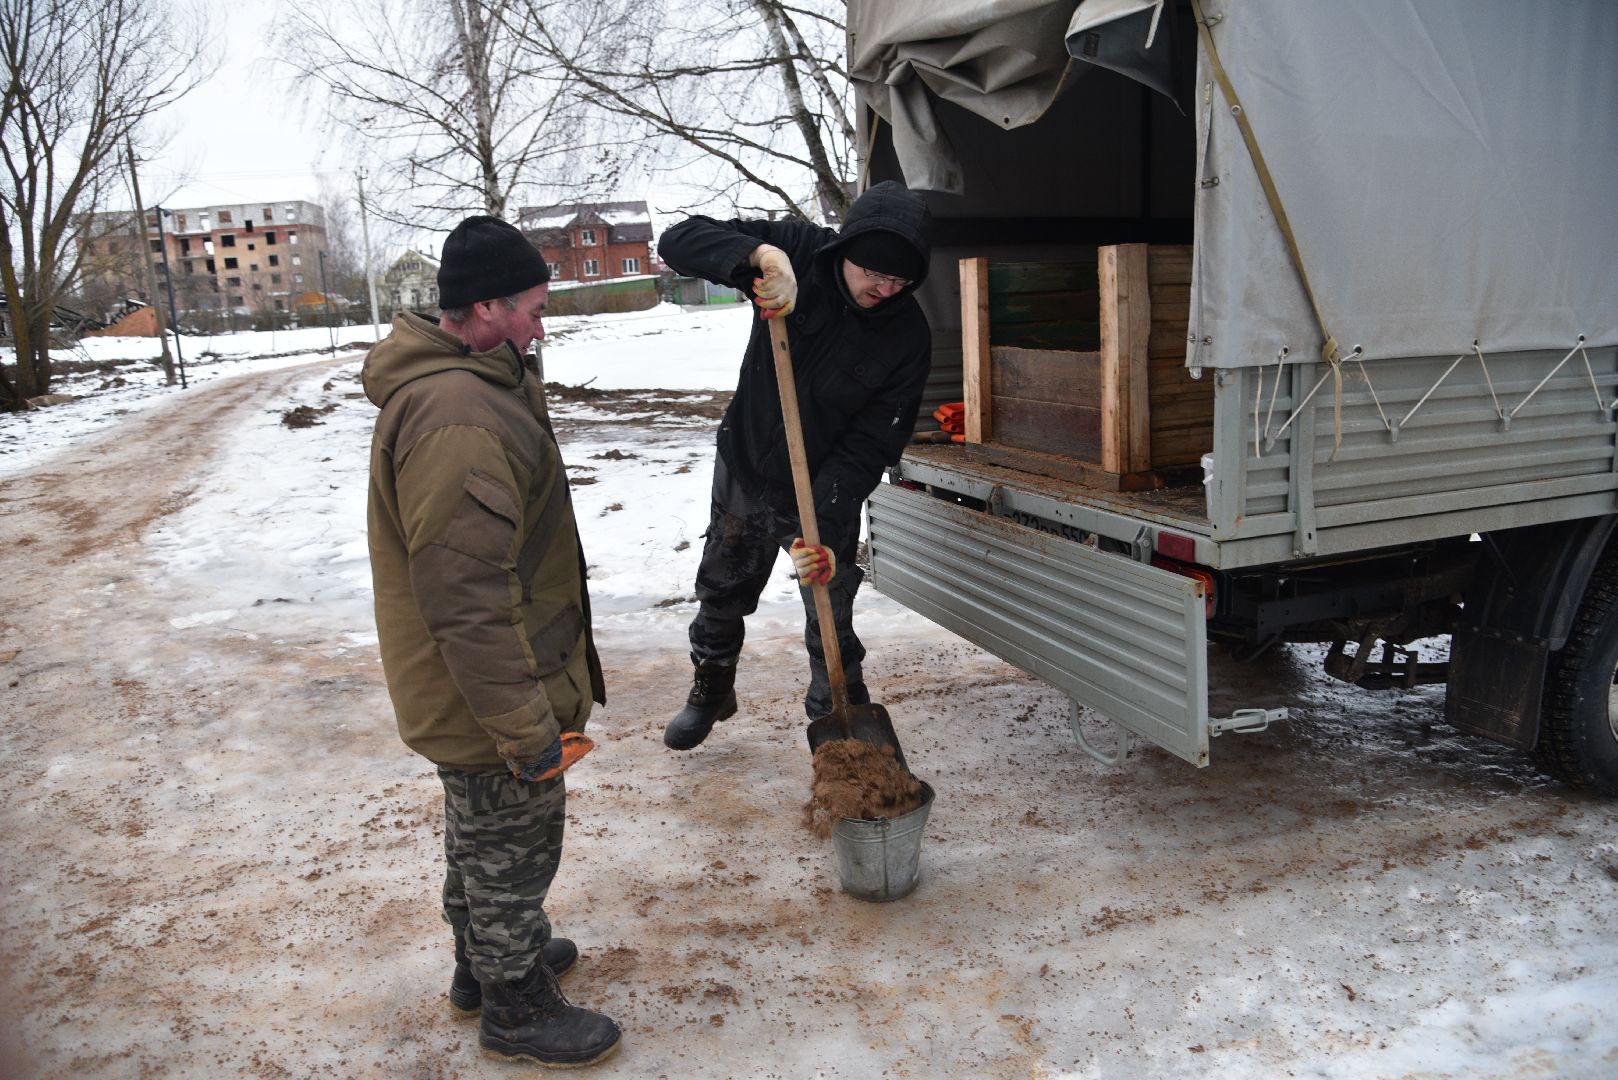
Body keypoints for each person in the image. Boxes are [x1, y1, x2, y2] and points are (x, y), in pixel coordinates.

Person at [362, 215, 621, 1068]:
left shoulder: (475, 381)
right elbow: (466, 593)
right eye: (533, 308)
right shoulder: (459, 414)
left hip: (475, 680)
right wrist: (522, 723)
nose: (542, 325)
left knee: (478, 829)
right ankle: (515, 1005)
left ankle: (483, 965)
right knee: (513, 838)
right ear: (483, 307)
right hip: (489, 683)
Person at [655, 180, 933, 750]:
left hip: (825, 484)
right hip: (749, 462)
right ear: (847, 251)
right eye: (873, 273)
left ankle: (836, 713)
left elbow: (874, 441)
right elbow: (678, 239)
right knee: (723, 585)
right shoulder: (800, 253)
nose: (884, 289)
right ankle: (712, 685)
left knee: (830, 601)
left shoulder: (907, 336)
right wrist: (759, 257)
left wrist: (826, 525)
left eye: (899, 281)